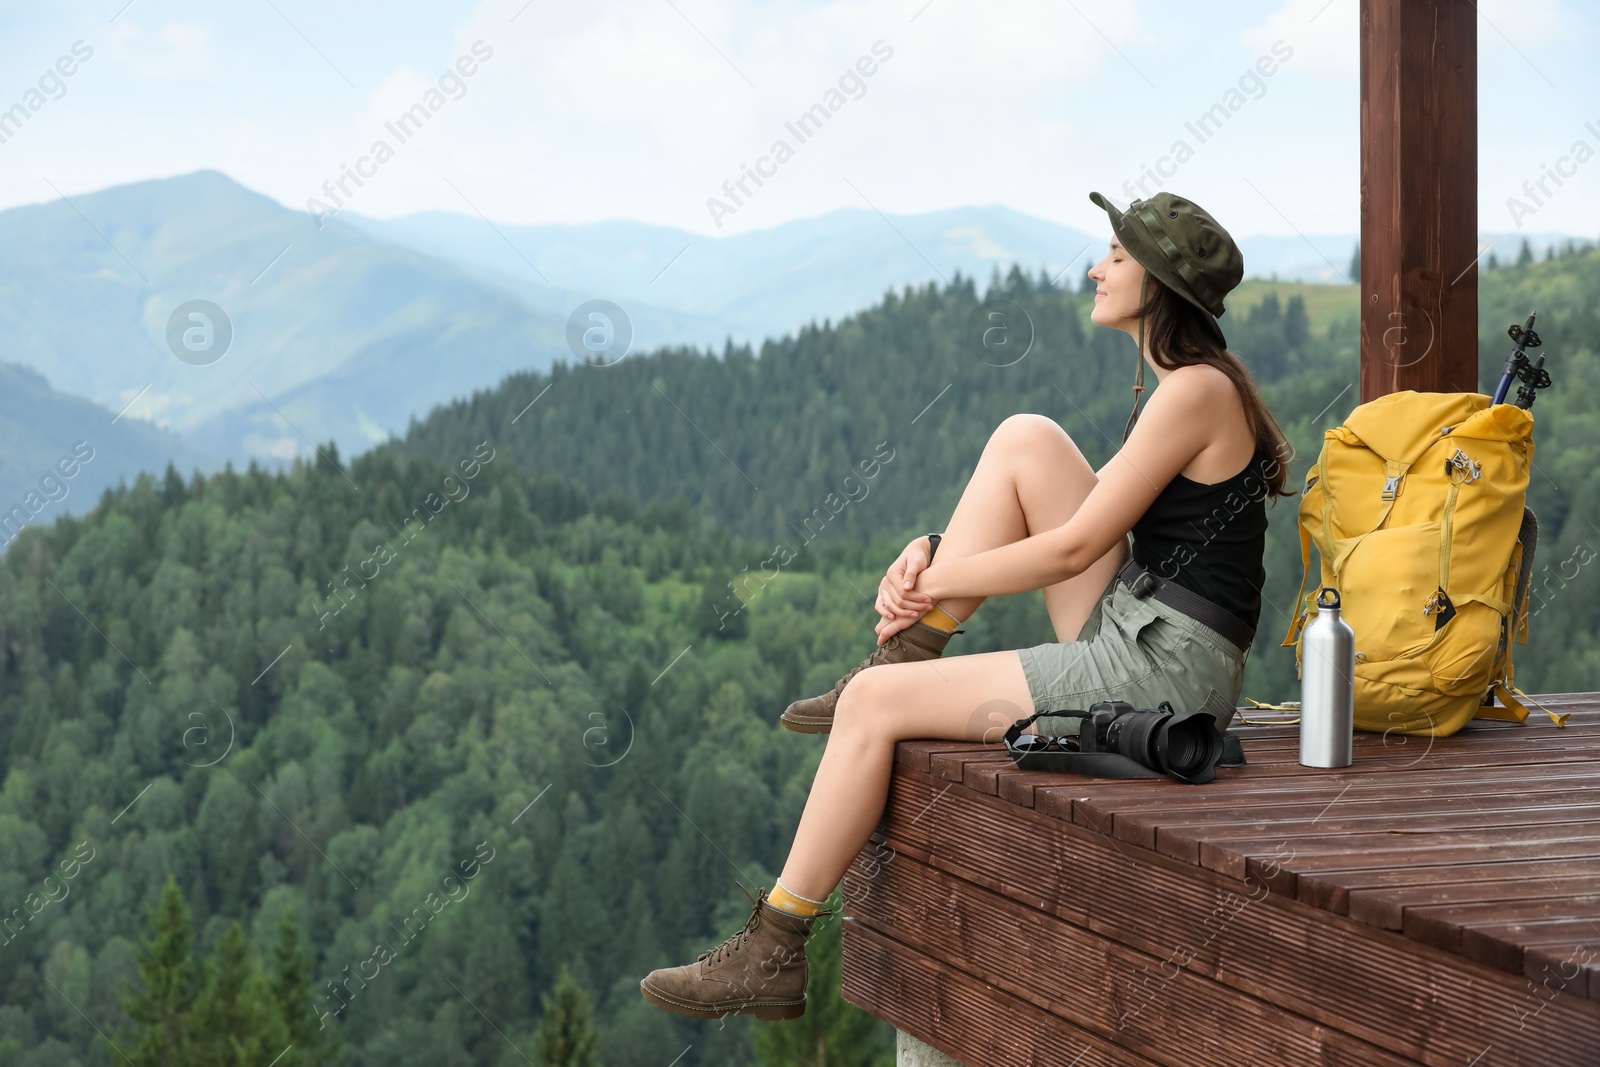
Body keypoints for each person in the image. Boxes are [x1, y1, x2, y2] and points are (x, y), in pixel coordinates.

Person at [639, 190, 1293, 1023]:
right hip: (1143, 625)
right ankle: (905, 653)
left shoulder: (1195, 392)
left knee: (872, 710)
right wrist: (932, 548)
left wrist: (938, 578)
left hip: (1163, 671)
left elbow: (1072, 546)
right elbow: (1084, 520)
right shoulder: (1189, 386)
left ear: (1159, 285)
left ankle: (776, 945)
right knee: (1028, 439)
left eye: (1119, 257)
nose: (1098, 267)